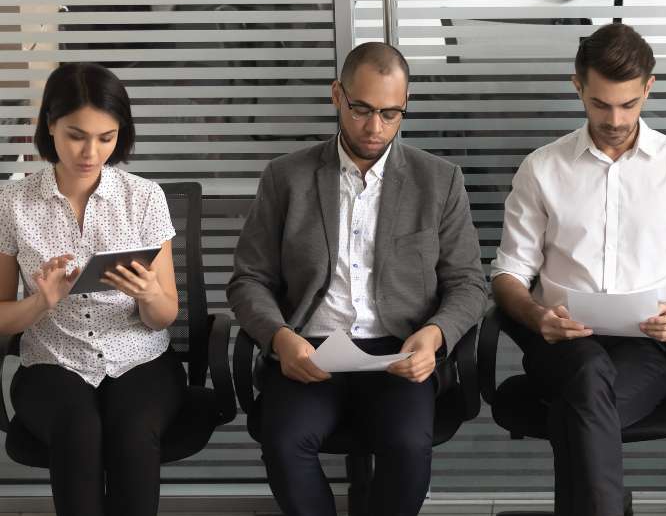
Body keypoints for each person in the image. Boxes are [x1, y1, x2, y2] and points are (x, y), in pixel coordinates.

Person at [228, 42, 487, 516]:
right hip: (311, 351)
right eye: (362, 109)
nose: (375, 127)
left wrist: (434, 335)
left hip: (398, 353)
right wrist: (280, 338)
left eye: (391, 114)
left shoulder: (439, 180)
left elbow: (469, 283)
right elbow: (249, 279)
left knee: (408, 445)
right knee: (284, 442)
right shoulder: (287, 177)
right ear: (337, 96)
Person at [491, 23, 666, 516]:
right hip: (560, 342)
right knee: (586, 375)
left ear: (649, 87)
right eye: (601, 104)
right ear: (577, 87)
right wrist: (538, 318)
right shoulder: (541, 168)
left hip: (644, 347)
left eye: (628, 104)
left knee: (582, 404)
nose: (616, 119)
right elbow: (508, 274)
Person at [0, 62, 184, 516]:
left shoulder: (144, 198)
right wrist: (41, 301)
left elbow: (166, 315)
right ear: (50, 126)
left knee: (132, 433)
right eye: (76, 135)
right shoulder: (12, 203)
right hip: (52, 361)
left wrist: (146, 294)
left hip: (140, 358)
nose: (91, 152)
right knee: (78, 431)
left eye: (107, 137)